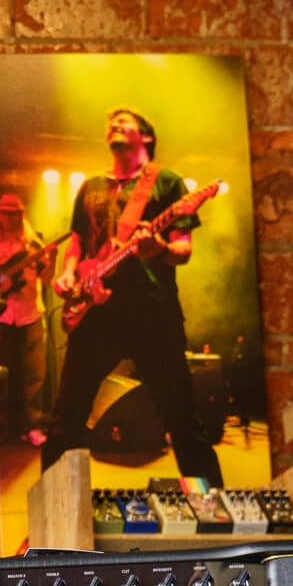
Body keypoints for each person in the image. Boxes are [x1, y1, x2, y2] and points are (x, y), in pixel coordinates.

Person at [40, 106, 221, 483]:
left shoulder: (167, 183)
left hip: (152, 314)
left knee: (182, 417)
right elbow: (76, 244)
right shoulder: (90, 187)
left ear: (146, 137)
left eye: (125, 122)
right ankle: (50, 514)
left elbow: (183, 249)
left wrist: (158, 250)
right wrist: (69, 273)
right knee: (65, 418)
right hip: (96, 314)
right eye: (111, 122)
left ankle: (214, 510)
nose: (114, 125)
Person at [0, 193, 49, 443]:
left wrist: (50, 262)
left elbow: (46, 279)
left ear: (21, 215)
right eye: (5, 213)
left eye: (14, 213)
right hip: (0, 315)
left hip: (30, 313)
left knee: (34, 373)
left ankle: (33, 425)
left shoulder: (33, 245)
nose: (9, 218)